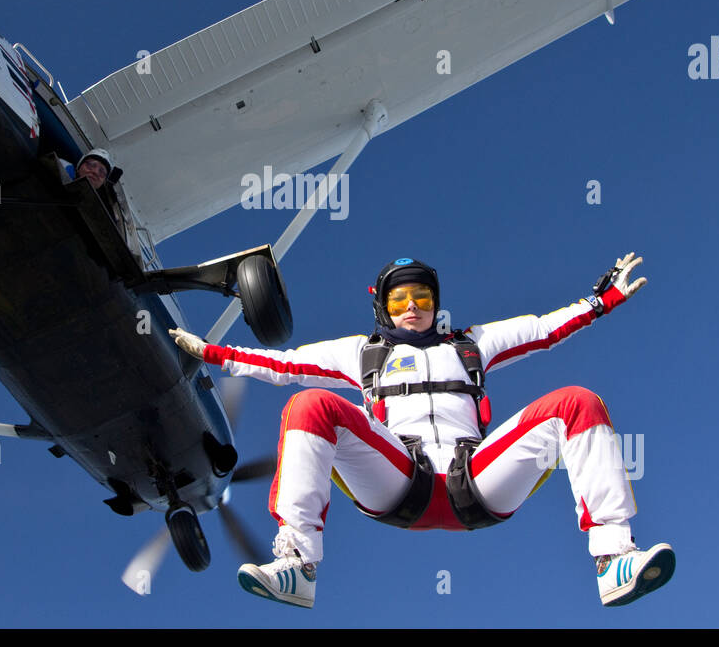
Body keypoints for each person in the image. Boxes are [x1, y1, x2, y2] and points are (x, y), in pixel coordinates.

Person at [169, 253, 674, 610]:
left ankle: (615, 557)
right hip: (400, 476)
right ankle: (297, 564)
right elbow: (285, 365)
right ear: (382, 308)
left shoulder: (472, 344)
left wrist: (602, 300)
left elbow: (543, 330)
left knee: (577, 402)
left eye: (422, 297)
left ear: (436, 303)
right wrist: (212, 353)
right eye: (399, 300)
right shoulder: (361, 353)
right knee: (309, 404)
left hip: (474, 479)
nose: (412, 307)